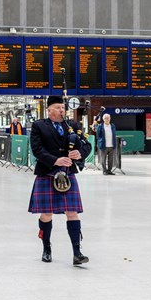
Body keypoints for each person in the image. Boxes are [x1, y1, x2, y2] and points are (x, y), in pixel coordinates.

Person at [29, 95, 91, 266]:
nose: (61, 110)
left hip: (68, 173)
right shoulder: (39, 126)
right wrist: (55, 160)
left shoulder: (72, 126)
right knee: (47, 214)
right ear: (49, 110)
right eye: (57, 107)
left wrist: (80, 154)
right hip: (47, 173)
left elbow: (86, 145)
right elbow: (37, 149)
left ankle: (77, 252)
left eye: (63, 108)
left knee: (72, 212)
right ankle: (46, 248)